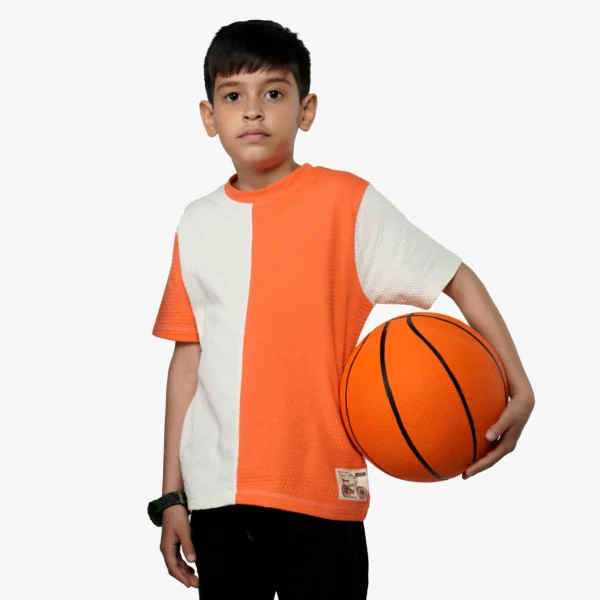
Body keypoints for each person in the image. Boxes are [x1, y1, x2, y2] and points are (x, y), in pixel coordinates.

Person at [149, 19, 535, 599]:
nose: (252, 110)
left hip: (324, 494)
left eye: (273, 93)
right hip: (217, 499)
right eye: (232, 96)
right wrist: (172, 496)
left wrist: (518, 385)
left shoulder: (345, 203)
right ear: (209, 117)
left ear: (306, 110)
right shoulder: (195, 223)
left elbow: (455, 276)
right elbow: (188, 360)